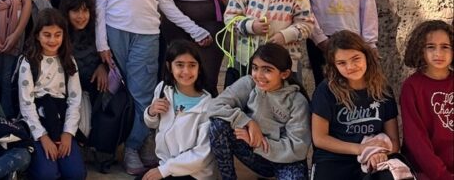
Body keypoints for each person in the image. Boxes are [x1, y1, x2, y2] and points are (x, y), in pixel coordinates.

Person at [96, 0, 212, 175]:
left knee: (143, 95)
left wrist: (194, 30)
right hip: (115, 34)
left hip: (147, 35)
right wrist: (101, 43)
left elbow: (166, 4)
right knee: (120, 93)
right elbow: (100, 6)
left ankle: (135, 146)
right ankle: (123, 143)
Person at [205, 43, 310, 180]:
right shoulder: (249, 84)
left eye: (267, 70)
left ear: (284, 74)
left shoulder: (297, 101)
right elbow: (214, 106)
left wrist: (259, 142)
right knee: (218, 125)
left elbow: (298, 148)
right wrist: (248, 122)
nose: (259, 75)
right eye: (255, 68)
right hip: (254, 156)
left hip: (285, 161)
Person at [311, 30, 405, 179]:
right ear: (334, 65)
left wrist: (378, 153)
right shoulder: (325, 91)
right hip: (335, 159)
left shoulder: (383, 89)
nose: (350, 67)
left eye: (356, 59)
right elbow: (320, 138)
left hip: (374, 156)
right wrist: (360, 149)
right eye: (342, 63)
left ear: (367, 57)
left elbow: (394, 141)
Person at [18, 9, 84, 180]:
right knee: (47, 174)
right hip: (37, 123)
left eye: (57, 35)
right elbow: (26, 104)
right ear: (37, 35)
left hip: (61, 121)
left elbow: (75, 100)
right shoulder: (29, 62)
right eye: (47, 35)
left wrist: (68, 133)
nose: (52, 40)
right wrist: (43, 137)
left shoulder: (69, 61)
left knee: (75, 174)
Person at [141, 40, 216, 180]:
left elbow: (203, 155)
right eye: (179, 65)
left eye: (192, 65)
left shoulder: (209, 105)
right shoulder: (163, 89)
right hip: (166, 166)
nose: (186, 71)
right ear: (170, 66)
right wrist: (151, 112)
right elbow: (152, 125)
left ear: (199, 68)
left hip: (194, 174)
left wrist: (164, 170)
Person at [399, 19, 454, 180]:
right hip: (426, 170)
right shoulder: (412, 87)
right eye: (431, 47)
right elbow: (417, 141)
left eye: (445, 47)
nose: (438, 53)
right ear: (420, 50)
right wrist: (444, 176)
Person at [59, 0, 107, 94]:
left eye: (85, 10)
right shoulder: (59, 36)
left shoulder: (97, 32)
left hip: (96, 90)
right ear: (67, 13)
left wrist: (103, 67)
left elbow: (108, 58)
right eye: (76, 11)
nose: (81, 16)